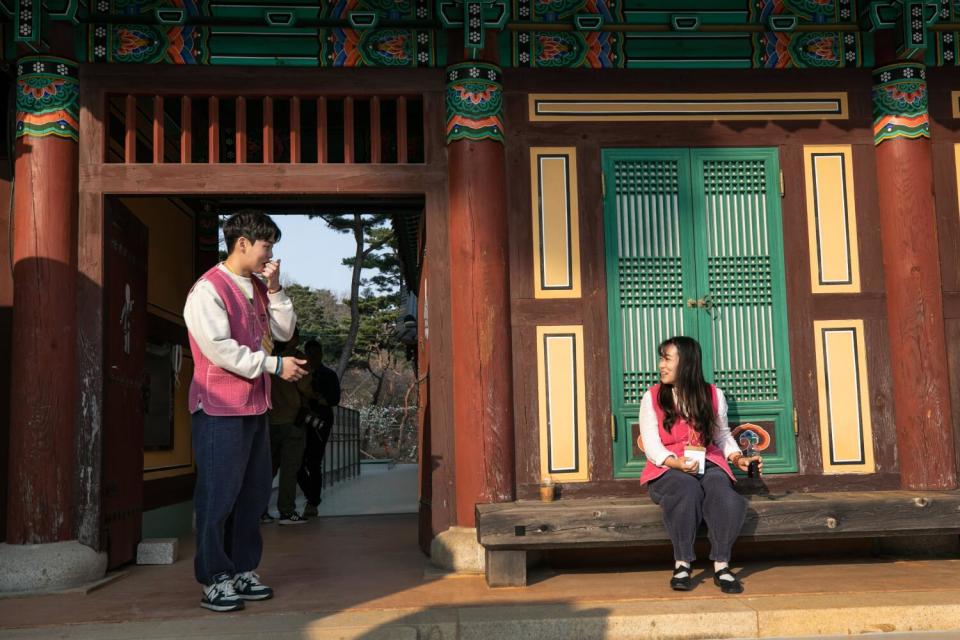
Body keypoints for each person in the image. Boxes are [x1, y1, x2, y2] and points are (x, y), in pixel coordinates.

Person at [184, 211, 308, 612]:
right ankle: (215, 578)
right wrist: (273, 366)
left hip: (254, 407)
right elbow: (219, 349)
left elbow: (286, 332)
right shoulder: (207, 290)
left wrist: (275, 290)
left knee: (253, 495)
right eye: (267, 245)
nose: (271, 254)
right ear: (242, 243)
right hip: (218, 409)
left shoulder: (258, 287)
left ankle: (242, 570)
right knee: (218, 496)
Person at [638, 336, 762, 594]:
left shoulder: (713, 395)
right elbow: (651, 445)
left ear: (686, 363)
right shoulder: (651, 398)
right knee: (686, 489)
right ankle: (682, 562)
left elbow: (722, 436)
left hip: (708, 460)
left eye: (667, 359)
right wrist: (675, 463)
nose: (661, 365)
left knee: (722, 491)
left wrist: (739, 459)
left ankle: (721, 564)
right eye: (661, 359)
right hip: (667, 468)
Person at [266, 326, 319, 525]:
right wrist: (317, 398)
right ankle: (287, 512)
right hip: (292, 420)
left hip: (270, 419)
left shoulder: (267, 356)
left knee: (267, 469)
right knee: (290, 469)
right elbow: (306, 388)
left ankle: (261, 511)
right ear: (293, 338)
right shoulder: (297, 359)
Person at [297, 339, 341, 518]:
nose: (313, 358)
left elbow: (334, 399)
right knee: (296, 463)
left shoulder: (328, 375)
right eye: (310, 355)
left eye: (316, 355)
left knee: (314, 462)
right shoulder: (299, 374)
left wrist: (317, 399)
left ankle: (312, 501)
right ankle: (312, 497)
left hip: (321, 422)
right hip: (301, 420)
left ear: (321, 354)